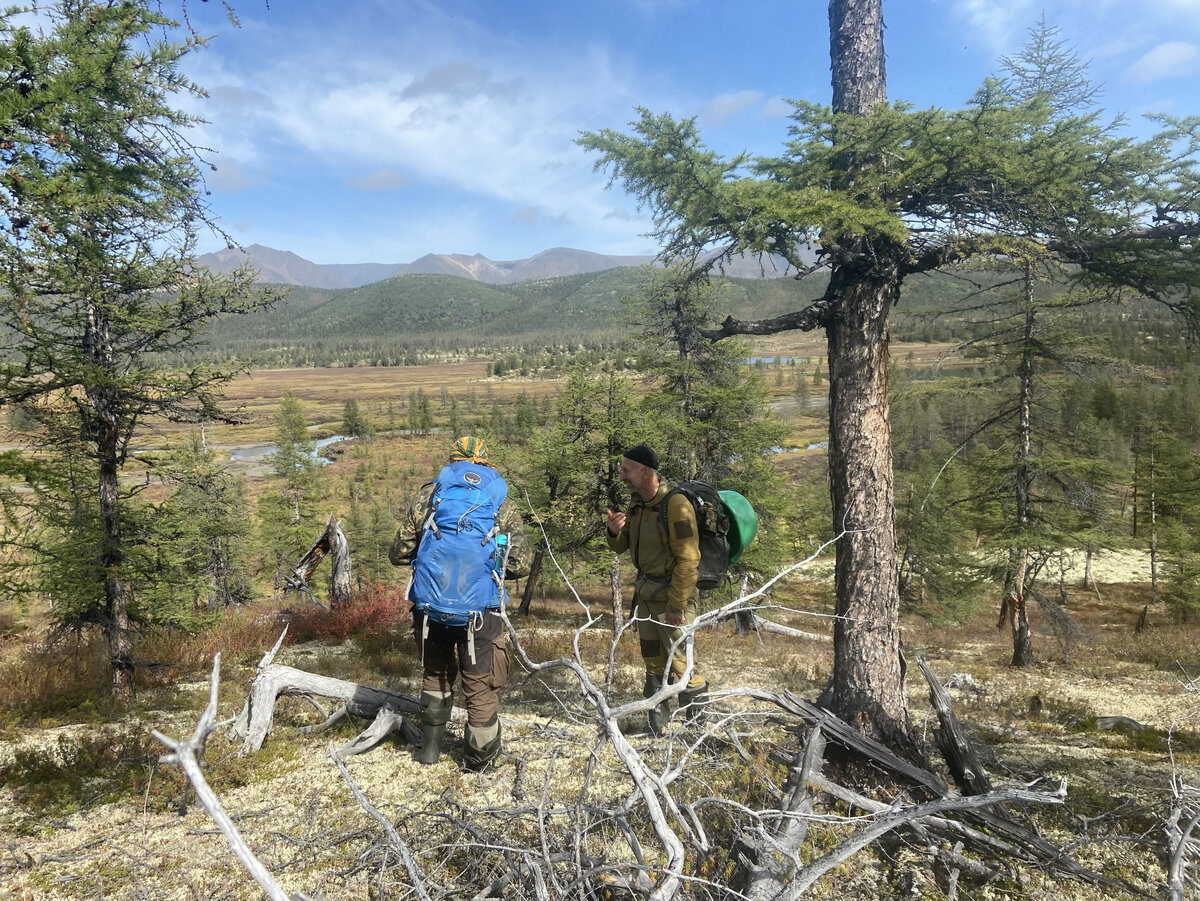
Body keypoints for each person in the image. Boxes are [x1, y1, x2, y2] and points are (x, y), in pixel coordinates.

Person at [390, 436, 531, 770]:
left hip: (430, 609)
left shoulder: (430, 494)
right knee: (481, 686)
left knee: (436, 674)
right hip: (481, 612)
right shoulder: (500, 501)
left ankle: (429, 752)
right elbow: (521, 563)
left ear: (453, 459)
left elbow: (398, 553)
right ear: (484, 461)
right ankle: (479, 764)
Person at [605, 443, 709, 734]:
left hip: (671, 600)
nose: (622, 477)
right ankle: (656, 726)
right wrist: (614, 531)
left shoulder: (675, 505)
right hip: (647, 598)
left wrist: (676, 606)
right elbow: (622, 544)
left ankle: (696, 731)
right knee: (653, 661)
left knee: (681, 664)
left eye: (627, 471)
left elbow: (689, 560)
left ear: (645, 471)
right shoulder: (637, 503)